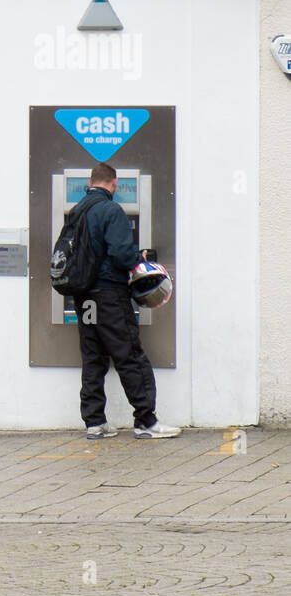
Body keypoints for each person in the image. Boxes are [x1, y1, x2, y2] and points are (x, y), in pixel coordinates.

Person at [75, 162, 180, 440]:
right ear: (114, 183)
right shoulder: (111, 210)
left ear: (90, 182)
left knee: (93, 357)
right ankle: (146, 421)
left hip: (84, 298)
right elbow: (122, 255)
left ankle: (95, 422)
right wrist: (140, 259)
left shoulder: (76, 212)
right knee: (129, 355)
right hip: (109, 295)